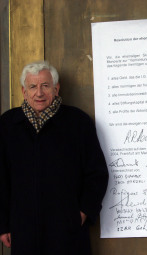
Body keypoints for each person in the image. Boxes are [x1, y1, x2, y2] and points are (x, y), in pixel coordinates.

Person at [0, 61, 109, 255]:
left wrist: (84, 212)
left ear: (56, 89)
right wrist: (3, 224)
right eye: (32, 87)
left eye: (45, 86)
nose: (39, 93)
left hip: (67, 231)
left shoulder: (78, 122)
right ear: (24, 92)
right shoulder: (7, 125)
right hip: (23, 230)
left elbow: (97, 173)